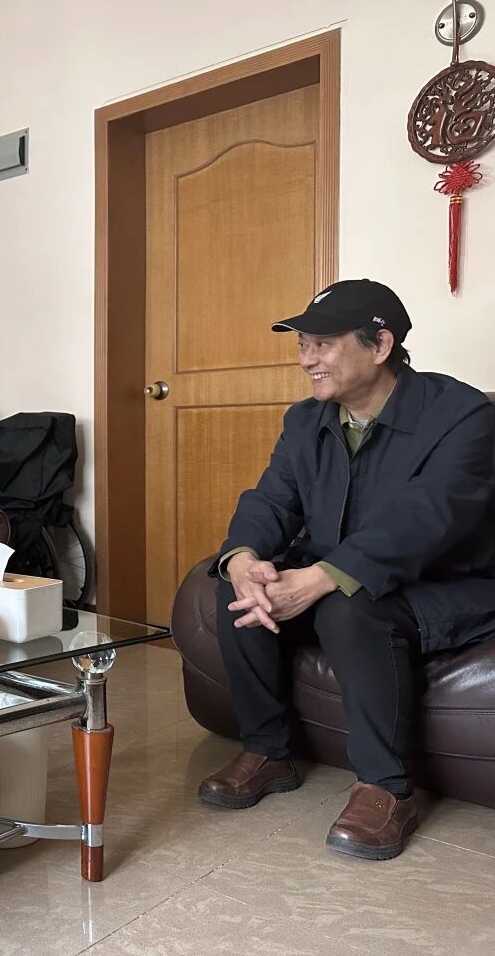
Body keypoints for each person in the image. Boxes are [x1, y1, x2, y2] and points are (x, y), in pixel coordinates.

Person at [201, 279, 495, 861]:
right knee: (240, 591)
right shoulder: (305, 420)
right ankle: (268, 750)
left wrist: (322, 577)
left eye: (323, 344)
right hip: (349, 572)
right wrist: (244, 559)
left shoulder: (463, 415)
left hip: (452, 583)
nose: (306, 359)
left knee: (348, 606)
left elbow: (427, 517)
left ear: (380, 345)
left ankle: (386, 788)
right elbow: (271, 499)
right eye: (302, 344)